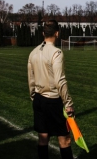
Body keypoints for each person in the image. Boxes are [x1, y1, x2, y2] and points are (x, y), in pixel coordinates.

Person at [28, 20, 75, 159]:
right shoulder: (56, 53)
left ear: (43, 33)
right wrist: (68, 103)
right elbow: (60, 81)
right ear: (57, 33)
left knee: (43, 138)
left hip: (39, 99)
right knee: (64, 140)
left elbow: (31, 79)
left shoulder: (33, 53)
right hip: (53, 101)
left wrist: (34, 97)